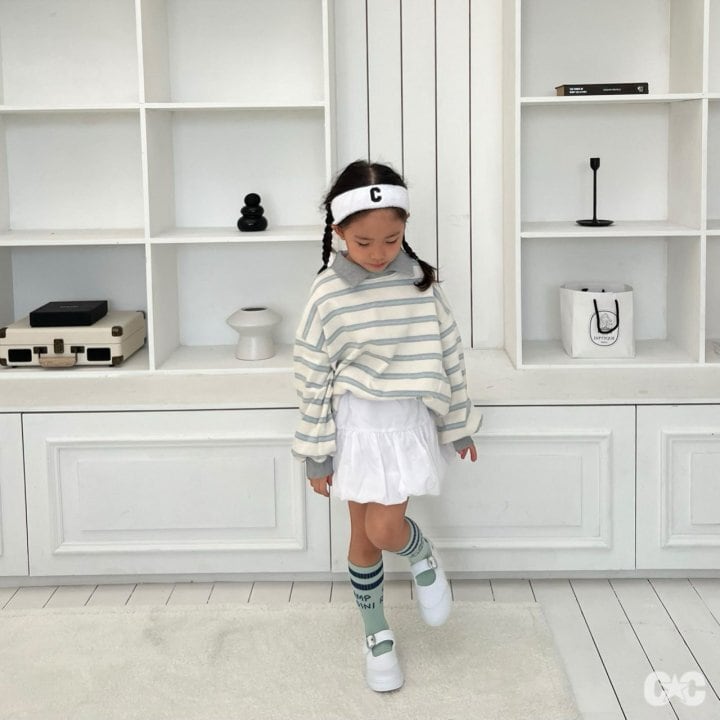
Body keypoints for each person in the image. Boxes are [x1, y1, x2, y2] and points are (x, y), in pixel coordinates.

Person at [292, 160, 482, 692]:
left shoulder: (419, 284)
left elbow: (448, 353)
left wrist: (458, 422)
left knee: (384, 528)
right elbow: (311, 373)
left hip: (404, 422)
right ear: (338, 232)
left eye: (391, 240)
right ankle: (376, 634)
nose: (378, 254)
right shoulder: (327, 293)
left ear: (405, 230)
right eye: (364, 242)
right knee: (361, 535)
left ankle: (420, 552)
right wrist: (316, 450)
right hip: (353, 425)